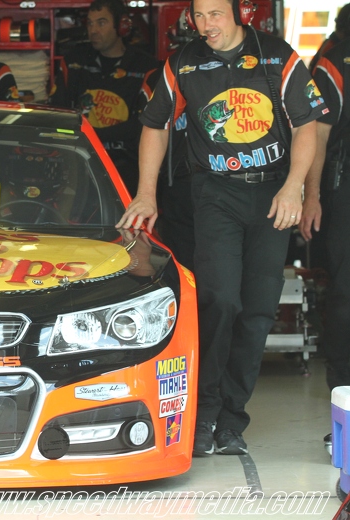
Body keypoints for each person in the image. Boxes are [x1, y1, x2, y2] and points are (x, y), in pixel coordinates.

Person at [117, 0, 324, 456]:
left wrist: (295, 189)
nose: (205, 24)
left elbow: (307, 124)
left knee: (258, 310)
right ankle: (204, 411)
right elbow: (155, 126)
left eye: (215, 14)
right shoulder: (183, 63)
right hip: (214, 194)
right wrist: (146, 193)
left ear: (239, 13)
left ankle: (232, 418)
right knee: (219, 300)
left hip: (272, 197)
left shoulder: (277, 55)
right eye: (199, 15)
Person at [48, 0, 158, 195]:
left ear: (122, 25)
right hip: (79, 161)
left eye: (101, 22)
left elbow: (144, 126)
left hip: (127, 167)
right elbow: (57, 111)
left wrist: (93, 136)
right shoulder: (74, 60)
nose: (93, 30)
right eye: (90, 23)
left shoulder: (146, 66)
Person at [302, 37, 350, 416]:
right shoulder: (335, 63)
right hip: (345, 187)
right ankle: (344, 393)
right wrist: (312, 195)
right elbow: (317, 132)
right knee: (346, 292)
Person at [139, 67, 195, 271]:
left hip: (223, 182)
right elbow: (148, 126)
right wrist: (147, 193)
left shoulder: (238, 72)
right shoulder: (161, 74)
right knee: (181, 263)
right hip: (177, 182)